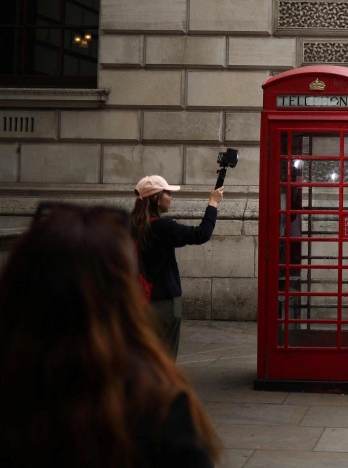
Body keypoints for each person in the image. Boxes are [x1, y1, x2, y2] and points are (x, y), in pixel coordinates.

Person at [0, 203, 221, 467]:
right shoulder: (158, 408)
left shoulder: (16, 401)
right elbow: (200, 234)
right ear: (122, 291)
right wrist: (212, 204)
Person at [133, 174, 223, 359]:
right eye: (167, 193)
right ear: (156, 198)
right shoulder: (162, 227)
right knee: (165, 360)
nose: (171, 197)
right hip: (164, 303)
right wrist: (213, 203)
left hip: (138, 301)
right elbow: (201, 234)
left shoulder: (132, 225)